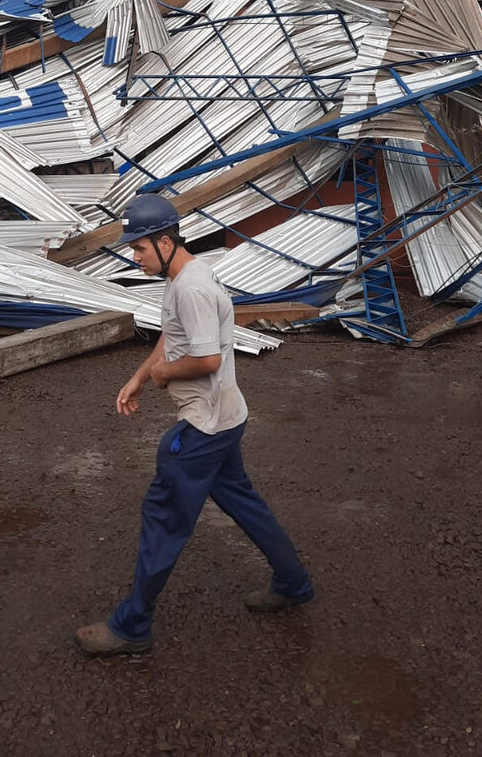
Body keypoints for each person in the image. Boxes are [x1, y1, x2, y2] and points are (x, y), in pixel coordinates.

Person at [75, 194, 314, 656]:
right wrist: (142, 375)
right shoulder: (186, 274)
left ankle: (132, 626)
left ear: (165, 242)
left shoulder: (191, 288)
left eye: (140, 248)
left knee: (162, 518)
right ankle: (294, 583)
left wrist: (163, 374)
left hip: (204, 427)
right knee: (246, 506)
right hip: (226, 417)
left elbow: (204, 359)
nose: (135, 256)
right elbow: (174, 333)